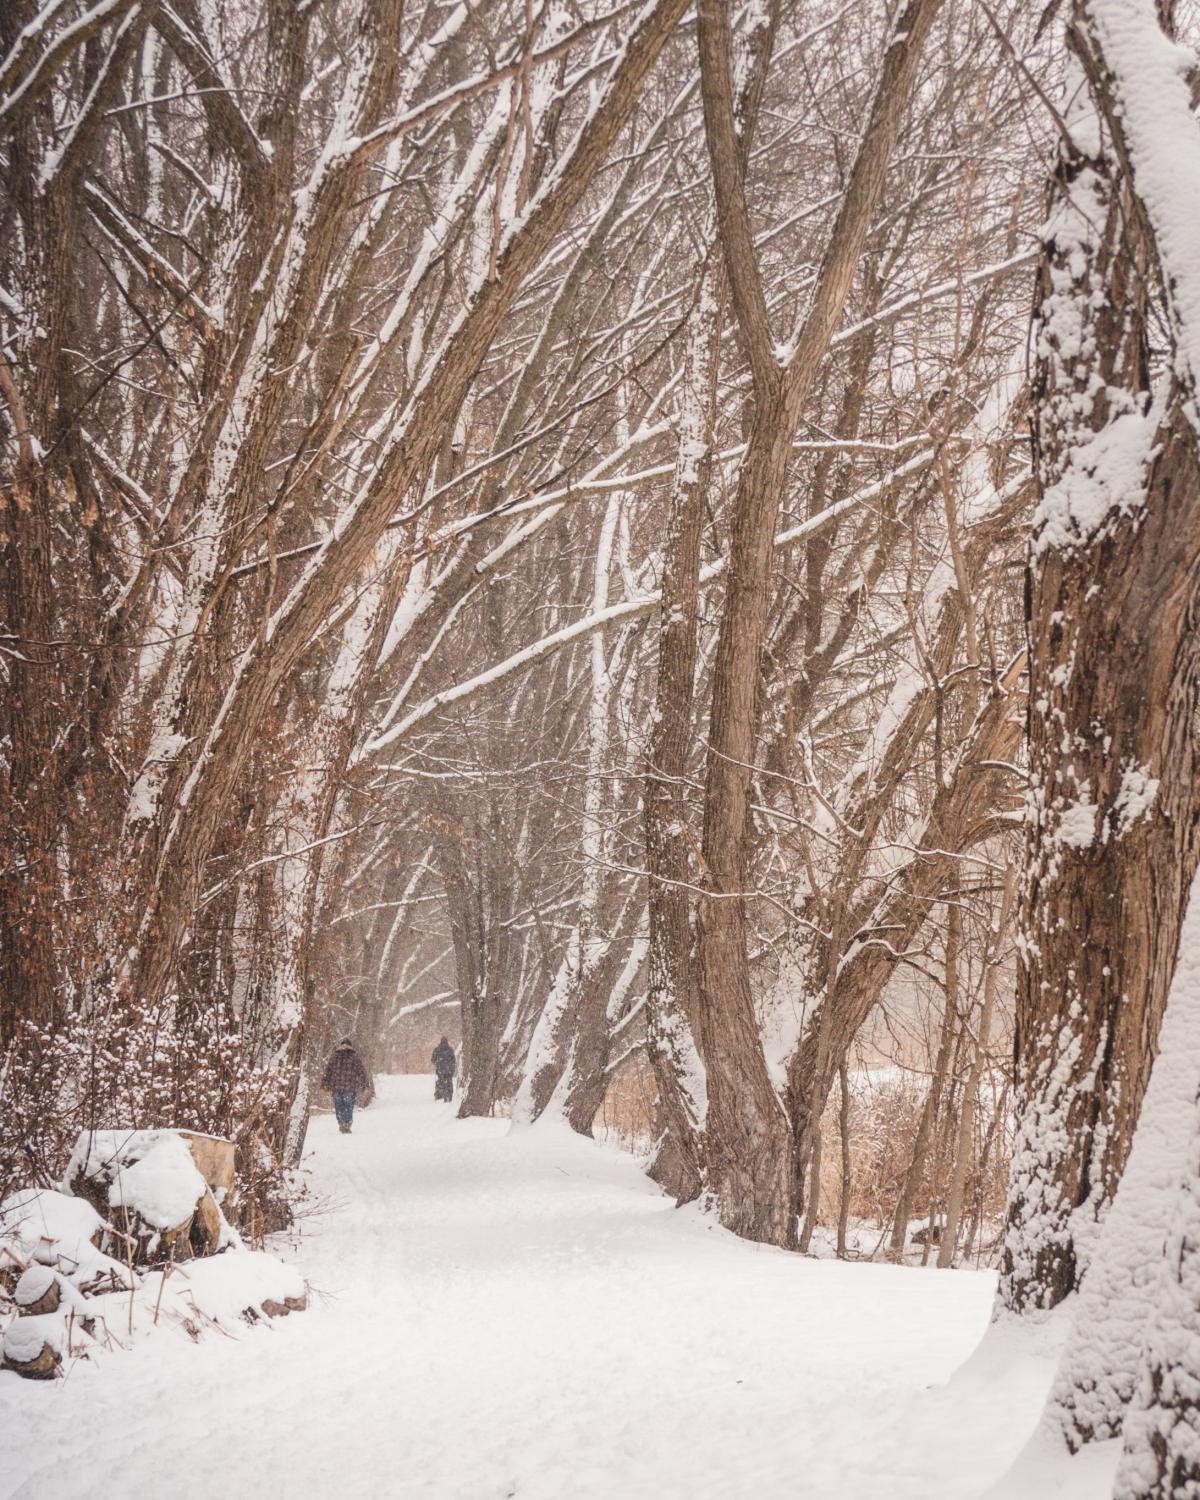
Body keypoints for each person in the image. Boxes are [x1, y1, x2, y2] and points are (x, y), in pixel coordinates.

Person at [320, 1037, 369, 1134]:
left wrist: (324, 1084)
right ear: (351, 1046)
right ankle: (347, 1123)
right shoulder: (355, 1057)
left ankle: (341, 1123)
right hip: (350, 1087)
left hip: (336, 1087)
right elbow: (362, 1072)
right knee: (348, 1106)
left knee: (339, 1106)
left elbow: (328, 1072)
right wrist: (365, 1084)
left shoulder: (334, 1057)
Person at [432, 1036, 456, 1102]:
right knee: (449, 1082)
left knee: (441, 1081)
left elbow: (433, 1059)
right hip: (449, 1070)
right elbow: (453, 1060)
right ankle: (450, 1094)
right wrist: (452, 1067)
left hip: (440, 1069)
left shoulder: (437, 1049)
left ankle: (443, 1094)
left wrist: (437, 1063)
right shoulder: (450, 1049)